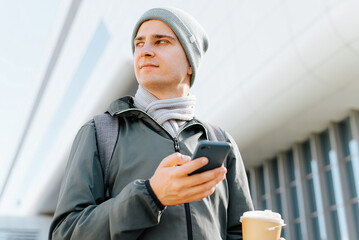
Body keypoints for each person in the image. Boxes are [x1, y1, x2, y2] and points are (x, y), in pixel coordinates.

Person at [49, 7, 253, 240]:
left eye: (161, 42)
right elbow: (65, 234)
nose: (145, 51)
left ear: (190, 62)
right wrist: (151, 195)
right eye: (139, 43)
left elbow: (239, 232)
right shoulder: (100, 133)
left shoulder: (220, 140)